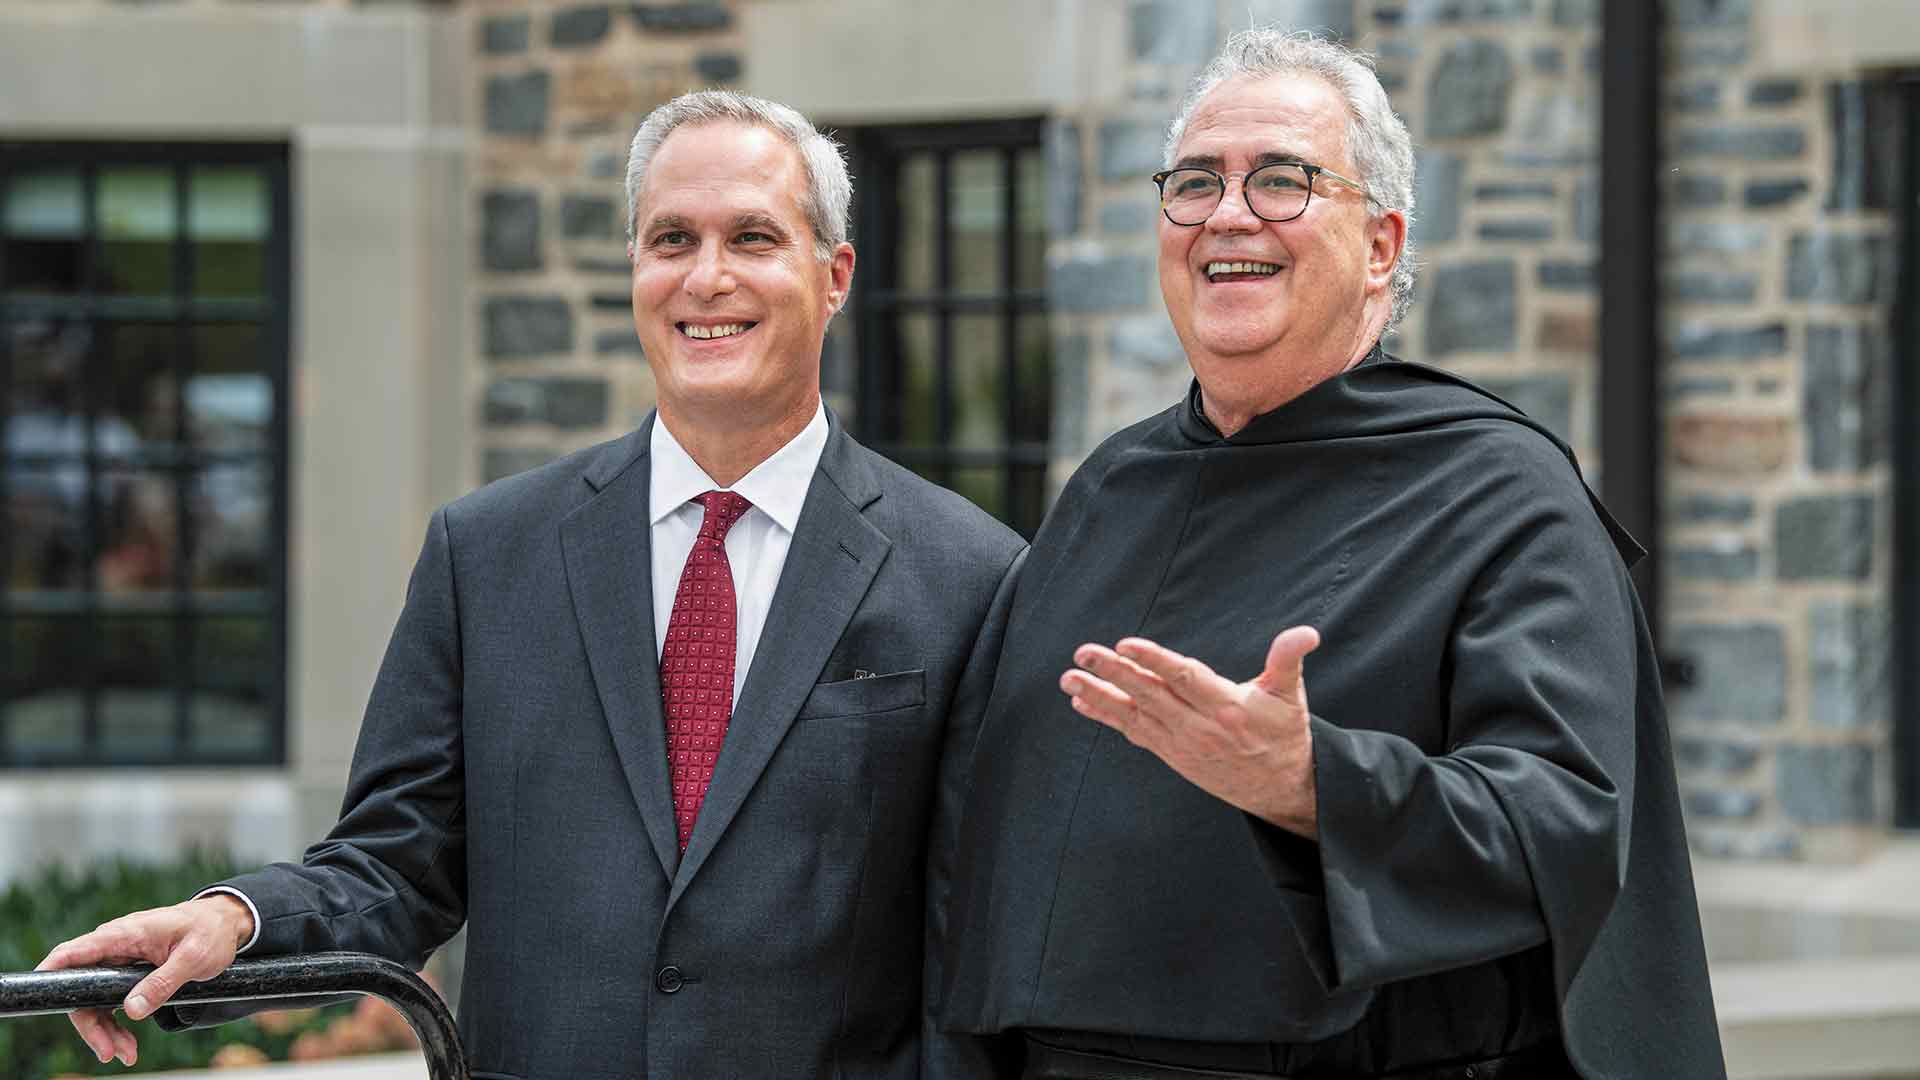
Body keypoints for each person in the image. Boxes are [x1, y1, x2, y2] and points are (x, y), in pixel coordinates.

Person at [40, 90, 1024, 1080]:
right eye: (671, 238)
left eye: (754, 237)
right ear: (636, 269)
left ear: (835, 274)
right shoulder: (488, 555)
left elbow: (974, 951)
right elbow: (395, 863)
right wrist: (234, 922)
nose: (707, 276)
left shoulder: (970, 577)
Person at [939, 29, 1724, 1080]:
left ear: (1382, 246)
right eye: (1195, 183)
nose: (1227, 213)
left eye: (1281, 181)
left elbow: (1565, 821)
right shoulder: (1105, 492)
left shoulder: (1499, 493)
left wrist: (1315, 784)